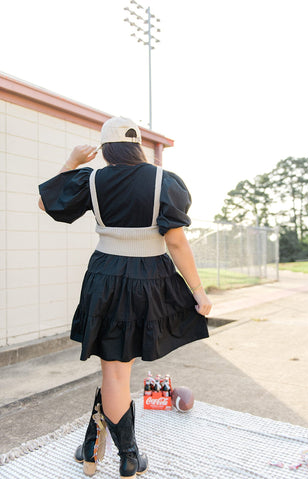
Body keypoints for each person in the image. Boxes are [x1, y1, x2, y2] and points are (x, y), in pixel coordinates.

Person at [38, 116, 212, 479]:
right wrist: (198, 290)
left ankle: (95, 446)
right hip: (149, 277)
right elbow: (176, 241)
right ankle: (128, 457)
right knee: (119, 370)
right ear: (138, 146)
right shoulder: (165, 181)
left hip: (106, 277)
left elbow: (45, 202)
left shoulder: (92, 180)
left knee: (114, 371)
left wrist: (72, 163)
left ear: (105, 148)